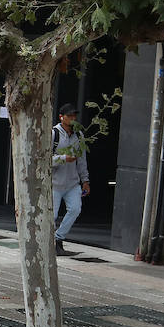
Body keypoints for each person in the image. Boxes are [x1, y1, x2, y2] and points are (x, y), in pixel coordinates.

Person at [50, 104, 90, 256]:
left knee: (75, 209)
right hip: (54, 183)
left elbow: (82, 160)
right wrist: (63, 158)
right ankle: (51, 244)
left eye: (74, 116)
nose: (73, 118)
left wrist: (85, 180)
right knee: (52, 215)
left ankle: (58, 238)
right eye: (69, 115)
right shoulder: (54, 134)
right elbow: (43, 158)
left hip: (72, 183)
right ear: (61, 117)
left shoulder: (79, 135)